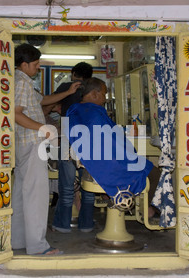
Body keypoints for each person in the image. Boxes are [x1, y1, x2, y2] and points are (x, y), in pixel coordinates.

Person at [11, 43, 81, 255]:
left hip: (24, 144)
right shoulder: (22, 83)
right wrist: (43, 127)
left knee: (22, 194)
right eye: (36, 64)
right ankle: (38, 247)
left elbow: (44, 101)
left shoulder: (22, 81)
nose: (38, 67)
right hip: (32, 143)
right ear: (24, 64)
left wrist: (68, 91)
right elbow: (16, 113)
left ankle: (17, 240)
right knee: (37, 196)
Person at [65, 77, 160, 216]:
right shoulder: (95, 113)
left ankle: (116, 197)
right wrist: (130, 151)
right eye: (103, 94)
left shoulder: (73, 111)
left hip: (91, 164)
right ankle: (147, 210)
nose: (104, 99)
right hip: (107, 164)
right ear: (94, 94)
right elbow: (114, 141)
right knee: (154, 172)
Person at [51, 62, 96, 233]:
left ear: (73, 73)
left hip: (67, 136)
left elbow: (49, 104)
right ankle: (86, 224)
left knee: (67, 186)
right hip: (90, 138)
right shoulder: (94, 88)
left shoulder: (65, 86)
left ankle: (62, 225)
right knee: (88, 183)